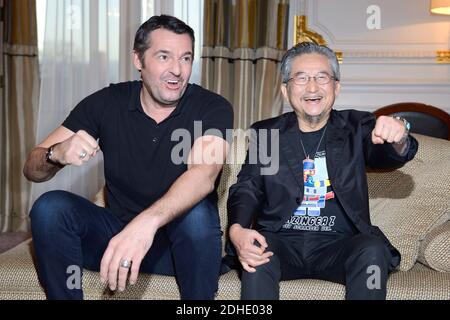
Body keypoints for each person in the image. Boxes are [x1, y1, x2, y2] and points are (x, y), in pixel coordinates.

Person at [23, 15, 233, 300]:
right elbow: (32, 170)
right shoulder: (106, 102)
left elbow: (204, 176)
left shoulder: (212, 107)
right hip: (116, 240)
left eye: (185, 58)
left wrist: (144, 225)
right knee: (49, 207)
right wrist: (55, 153)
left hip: (177, 250)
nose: (177, 70)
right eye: (163, 57)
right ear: (138, 60)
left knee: (197, 215)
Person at [226, 42, 418, 300]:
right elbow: (248, 187)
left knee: (372, 249)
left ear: (336, 86)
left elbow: (387, 155)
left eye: (322, 77)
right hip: (281, 244)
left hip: (340, 246)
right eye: (301, 78)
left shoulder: (356, 127)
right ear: (285, 90)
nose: (313, 87)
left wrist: (399, 136)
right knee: (257, 249)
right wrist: (237, 229)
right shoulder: (267, 133)